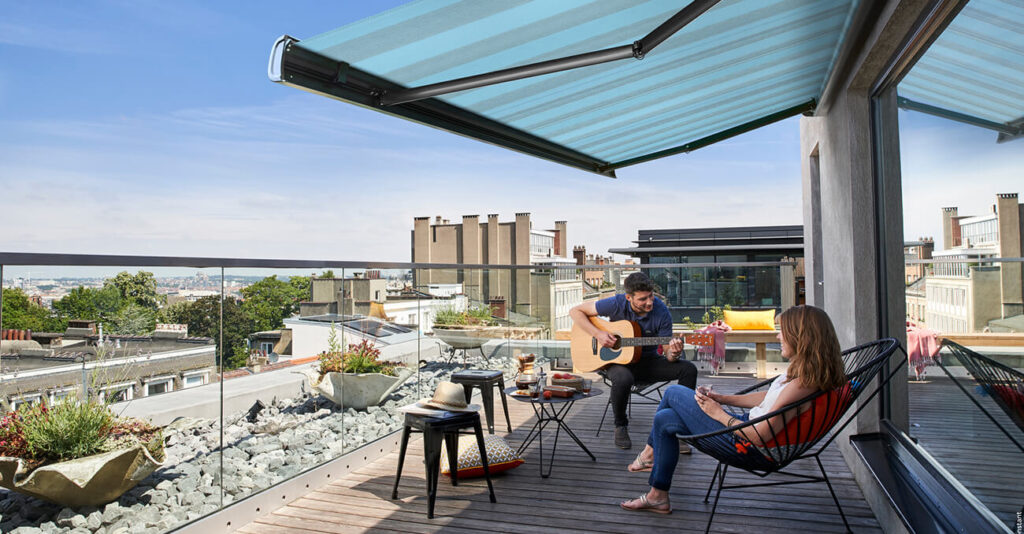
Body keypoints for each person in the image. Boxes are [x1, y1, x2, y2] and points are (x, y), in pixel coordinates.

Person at [619, 304, 844, 514]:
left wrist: (718, 412)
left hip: (747, 445)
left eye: (782, 332)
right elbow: (771, 399)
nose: (778, 336)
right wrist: (723, 398)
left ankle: (648, 456)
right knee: (665, 419)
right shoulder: (808, 375)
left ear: (801, 337)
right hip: (746, 427)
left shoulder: (801, 385)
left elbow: (759, 435)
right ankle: (657, 494)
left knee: (672, 393)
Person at [569, 272, 697, 450]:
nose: (650, 302)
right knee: (623, 378)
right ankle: (620, 425)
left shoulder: (661, 312)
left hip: (648, 362)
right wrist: (597, 334)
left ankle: (678, 429)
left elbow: (668, 353)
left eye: (651, 296)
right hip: (617, 363)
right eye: (643, 299)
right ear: (629, 297)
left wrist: (674, 352)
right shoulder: (616, 303)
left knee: (689, 369)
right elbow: (575, 311)